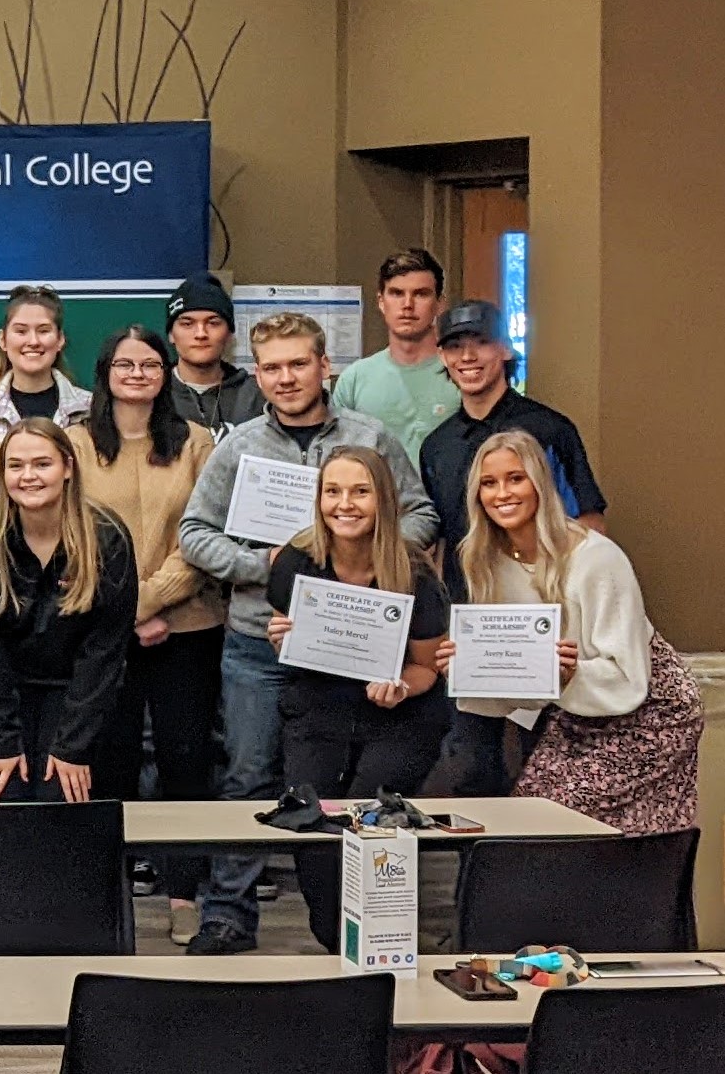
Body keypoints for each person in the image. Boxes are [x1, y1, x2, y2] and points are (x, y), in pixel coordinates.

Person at [178, 312, 435, 956]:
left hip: (362, 643)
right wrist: (258, 563)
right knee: (247, 775)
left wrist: (368, 550)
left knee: (353, 789)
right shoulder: (237, 447)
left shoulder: (370, 437)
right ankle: (228, 914)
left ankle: (358, 917)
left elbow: (424, 514)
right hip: (257, 640)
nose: (286, 378)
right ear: (257, 375)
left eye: (298, 364)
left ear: (325, 366)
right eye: (272, 367)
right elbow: (194, 534)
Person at [434, 430, 698, 834]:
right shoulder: (485, 562)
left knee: (577, 826)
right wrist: (466, 670)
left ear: (540, 483)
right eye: (489, 483)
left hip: (650, 707)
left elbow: (627, 675)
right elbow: (521, 677)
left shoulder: (596, 558)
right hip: (573, 709)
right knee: (531, 821)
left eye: (515, 478)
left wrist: (569, 675)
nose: (502, 493)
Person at [263, 447, 451, 950]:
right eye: (333, 491)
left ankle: (381, 943)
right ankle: (334, 938)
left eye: (360, 492)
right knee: (309, 817)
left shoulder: (414, 574)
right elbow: (293, 639)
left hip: (400, 711)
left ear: (383, 501)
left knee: (372, 816)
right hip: (319, 703)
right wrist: (283, 639)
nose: (345, 504)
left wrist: (403, 687)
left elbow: (426, 666)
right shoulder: (294, 563)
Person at [420, 299, 610, 796]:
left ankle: (540, 874)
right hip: (474, 627)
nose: (468, 357)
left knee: (546, 766)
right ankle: (478, 874)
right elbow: (440, 542)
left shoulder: (548, 430)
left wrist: (572, 619)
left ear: (504, 348)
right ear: (441, 357)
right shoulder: (437, 445)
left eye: (480, 342)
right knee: (472, 770)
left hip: (545, 629)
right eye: (454, 346)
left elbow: (589, 526)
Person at [68, 327, 221, 943]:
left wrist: (147, 602)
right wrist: (125, 614)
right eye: (124, 363)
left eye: (150, 363)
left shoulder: (197, 443)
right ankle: (109, 895)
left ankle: (184, 892)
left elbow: (204, 536)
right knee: (111, 762)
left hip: (186, 625)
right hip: (101, 633)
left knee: (187, 759)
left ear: (167, 373)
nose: (137, 373)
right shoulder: (75, 444)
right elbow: (68, 533)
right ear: (105, 372)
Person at [0, 422, 137, 803]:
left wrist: (73, 747)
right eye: (15, 465)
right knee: (3, 794)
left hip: (77, 692)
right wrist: (1, 742)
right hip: (7, 689)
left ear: (68, 467)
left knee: (62, 797)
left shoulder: (107, 539)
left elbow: (104, 653)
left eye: (42, 464)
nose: (28, 477)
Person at [330, 248, 460, 461]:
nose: (407, 305)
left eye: (421, 294)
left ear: (440, 304)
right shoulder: (354, 379)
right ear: (381, 302)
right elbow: (337, 458)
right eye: (397, 293)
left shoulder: (460, 373)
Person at [0, 284, 91, 437]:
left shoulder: (90, 409)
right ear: (2, 339)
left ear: (60, 339)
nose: (33, 341)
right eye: (21, 331)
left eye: (43, 331)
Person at [162, 274, 265, 435]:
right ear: (171, 334)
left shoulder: (257, 395)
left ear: (230, 334)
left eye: (213, 323)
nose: (201, 334)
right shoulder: (153, 392)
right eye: (187, 323)